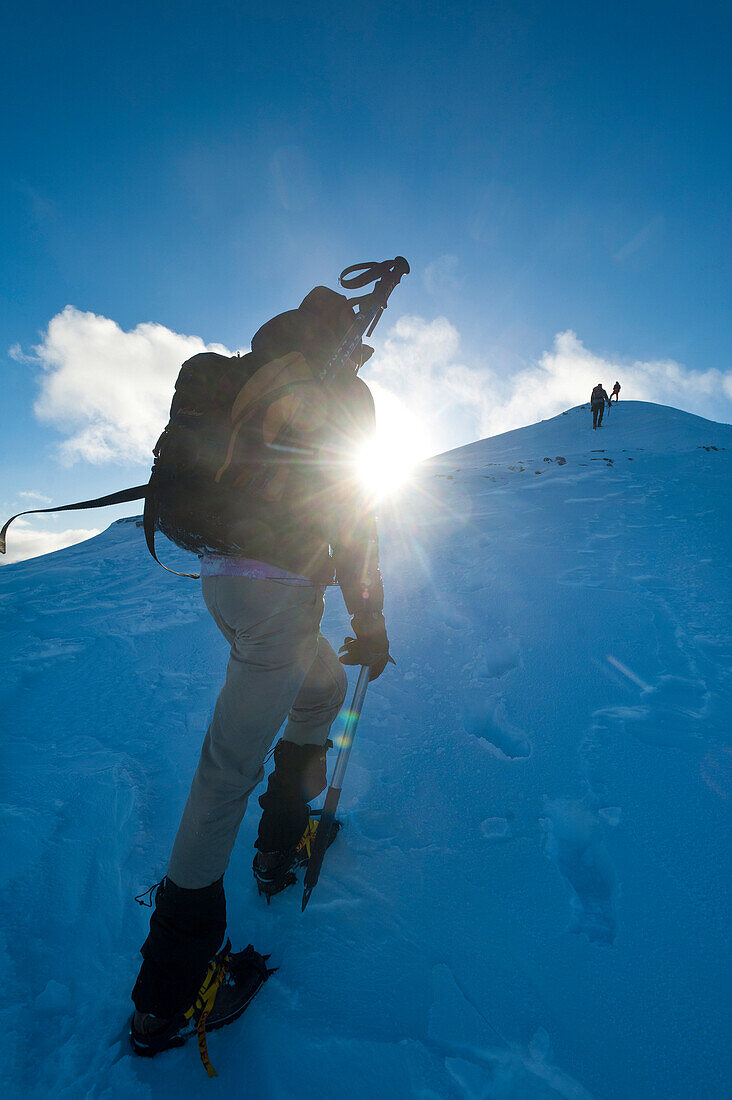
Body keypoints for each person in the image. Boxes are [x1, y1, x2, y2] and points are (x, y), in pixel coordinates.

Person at [129, 285, 393, 1059]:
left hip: (225, 578)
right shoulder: (342, 392)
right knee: (224, 773)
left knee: (320, 690)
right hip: (278, 591)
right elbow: (355, 512)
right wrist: (372, 622)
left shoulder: (251, 371)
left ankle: (280, 843)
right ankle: (166, 998)